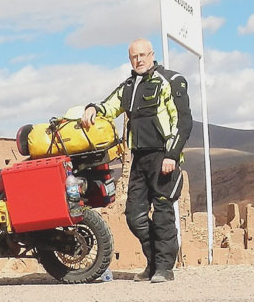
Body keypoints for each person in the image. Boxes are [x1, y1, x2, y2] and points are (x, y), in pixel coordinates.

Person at [81, 38, 192, 283]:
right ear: (130, 59)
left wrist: (172, 155)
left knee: (163, 213)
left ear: (152, 54)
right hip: (139, 159)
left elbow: (182, 122)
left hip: (163, 156)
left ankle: (164, 268)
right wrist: (93, 109)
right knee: (134, 215)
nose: (139, 59)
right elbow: (109, 106)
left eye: (143, 54)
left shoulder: (171, 81)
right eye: (134, 56)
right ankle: (153, 262)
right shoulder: (128, 87)